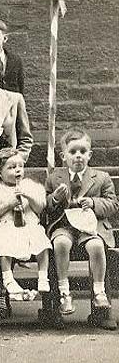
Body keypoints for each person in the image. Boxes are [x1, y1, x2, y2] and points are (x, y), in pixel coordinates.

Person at [45, 129, 119, 317]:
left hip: (91, 227)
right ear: (63, 156)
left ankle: (99, 290)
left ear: (90, 154)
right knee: (60, 243)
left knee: (96, 245)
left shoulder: (101, 177)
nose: (78, 156)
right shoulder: (55, 177)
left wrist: (94, 203)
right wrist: (55, 198)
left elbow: (113, 204)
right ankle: (64, 291)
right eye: (72, 152)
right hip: (65, 225)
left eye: (83, 152)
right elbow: (45, 205)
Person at [0, 148, 51, 300]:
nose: (17, 170)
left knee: (41, 241)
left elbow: (39, 208)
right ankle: (8, 278)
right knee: (3, 242)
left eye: (20, 166)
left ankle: (43, 277)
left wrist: (28, 195)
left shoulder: (29, 185)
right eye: (11, 167)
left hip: (29, 225)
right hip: (6, 225)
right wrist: (9, 204)